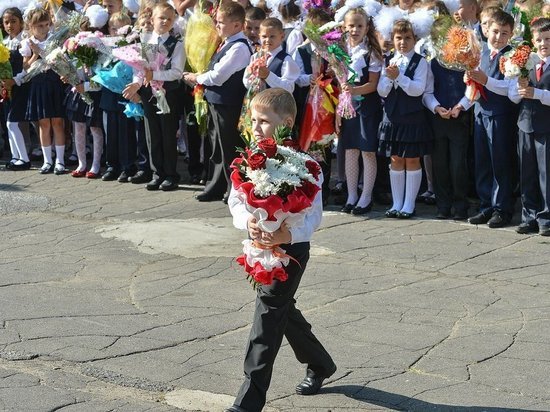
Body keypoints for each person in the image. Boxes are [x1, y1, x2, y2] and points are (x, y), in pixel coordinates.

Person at [226, 88, 336, 412]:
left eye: (264, 121)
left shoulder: (306, 165)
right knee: (280, 310)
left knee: (268, 314)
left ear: (286, 122)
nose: (256, 127)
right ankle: (320, 363)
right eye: (254, 120)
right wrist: (249, 223)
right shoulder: (249, 160)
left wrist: (287, 233)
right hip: (259, 247)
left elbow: (313, 215)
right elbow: (235, 199)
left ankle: (248, 402)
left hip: (292, 251)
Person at [183, 2, 252, 202]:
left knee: (229, 147)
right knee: (216, 147)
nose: (217, 26)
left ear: (237, 25)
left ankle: (234, 190)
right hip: (216, 101)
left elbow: (219, 76)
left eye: (221, 22)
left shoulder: (239, 47)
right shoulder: (226, 42)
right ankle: (216, 185)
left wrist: (197, 77)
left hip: (228, 103)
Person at [465, 9, 518, 228]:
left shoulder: (512, 56)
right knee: (483, 162)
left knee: (501, 163)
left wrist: (485, 80)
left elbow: (509, 88)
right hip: (481, 113)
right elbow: (476, 81)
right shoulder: (482, 53)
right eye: (495, 31)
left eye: (504, 33)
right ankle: (486, 205)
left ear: (511, 35)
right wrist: (470, 79)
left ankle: (502, 209)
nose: (498, 37)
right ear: (487, 31)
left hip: (500, 115)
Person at [123, 2, 185, 191]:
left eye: (169, 18)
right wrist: (137, 83)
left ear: (174, 21)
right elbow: (139, 69)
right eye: (161, 18)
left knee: (167, 133)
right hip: (149, 93)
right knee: (152, 134)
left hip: (169, 93)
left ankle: (170, 174)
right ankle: (157, 173)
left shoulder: (177, 44)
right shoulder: (146, 41)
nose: (165, 21)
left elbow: (177, 72)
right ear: (152, 19)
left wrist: (155, 75)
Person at [377, 18, 432, 219]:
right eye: (399, 38)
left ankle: (409, 204)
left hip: (412, 117)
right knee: (396, 159)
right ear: (393, 39)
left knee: (412, 158)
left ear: (414, 39)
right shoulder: (388, 60)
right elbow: (382, 92)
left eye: (407, 38)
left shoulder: (421, 62)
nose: (403, 42)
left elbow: (418, 90)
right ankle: (396, 202)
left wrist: (399, 77)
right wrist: (389, 79)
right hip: (392, 116)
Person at [422, 11, 473, 220]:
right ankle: (443, 205)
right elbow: (427, 92)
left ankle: (461, 205)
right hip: (439, 118)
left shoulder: (466, 61)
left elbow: (472, 90)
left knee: (458, 164)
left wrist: (461, 106)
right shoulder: (433, 63)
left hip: (459, 118)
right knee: (440, 163)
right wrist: (436, 107)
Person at [337, 7, 383, 215]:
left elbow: (373, 84)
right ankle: (351, 194)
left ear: (366, 28)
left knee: (367, 150)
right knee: (350, 150)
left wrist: (354, 89)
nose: (355, 30)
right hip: (349, 106)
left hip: (366, 106)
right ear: (344, 28)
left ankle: (366, 196)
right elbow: (339, 82)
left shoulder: (370, 52)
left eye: (359, 26)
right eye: (351, 26)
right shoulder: (341, 50)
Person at [508, 17, 550, 236]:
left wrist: (539, 94)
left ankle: (546, 216)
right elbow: (514, 97)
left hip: (546, 127)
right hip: (525, 124)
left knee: (546, 173)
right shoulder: (526, 64)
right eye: (539, 39)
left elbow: (541, 94)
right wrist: (519, 86)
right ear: (533, 42)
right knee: (527, 172)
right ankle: (529, 215)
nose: (543, 44)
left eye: (548, 39)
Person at [21, 7, 67, 175]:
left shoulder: (54, 39)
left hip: (54, 83)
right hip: (39, 84)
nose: (43, 28)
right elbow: (26, 67)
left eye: (46, 24)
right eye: (39, 25)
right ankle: (47, 161)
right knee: (44, 123)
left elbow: (61, 61)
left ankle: (60, 161)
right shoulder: (28, 43)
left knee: (57, 122)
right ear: (31, 26)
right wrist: (35, 54)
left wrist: (44, 52)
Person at [1, 6, 30, 171]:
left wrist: (15, 80)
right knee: (8, 122)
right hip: (7, 87)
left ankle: (24, 159)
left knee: (13, 123)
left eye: (13, 21)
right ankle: (15, 156)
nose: (10, 25)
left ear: (20, 22)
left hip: (20, 86)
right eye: (6, 22)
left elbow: (27, 67)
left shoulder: (24, 41)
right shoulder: (4, 43)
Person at [243, 17, 300, 93]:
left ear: (282, 36)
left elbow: (289, 88)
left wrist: (268, 76)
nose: (268, 40)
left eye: (272, 36)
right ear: (259, 36)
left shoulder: (286, 60)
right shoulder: (256, 56)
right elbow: (247, 82)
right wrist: (250, 74)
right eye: (264, 36)